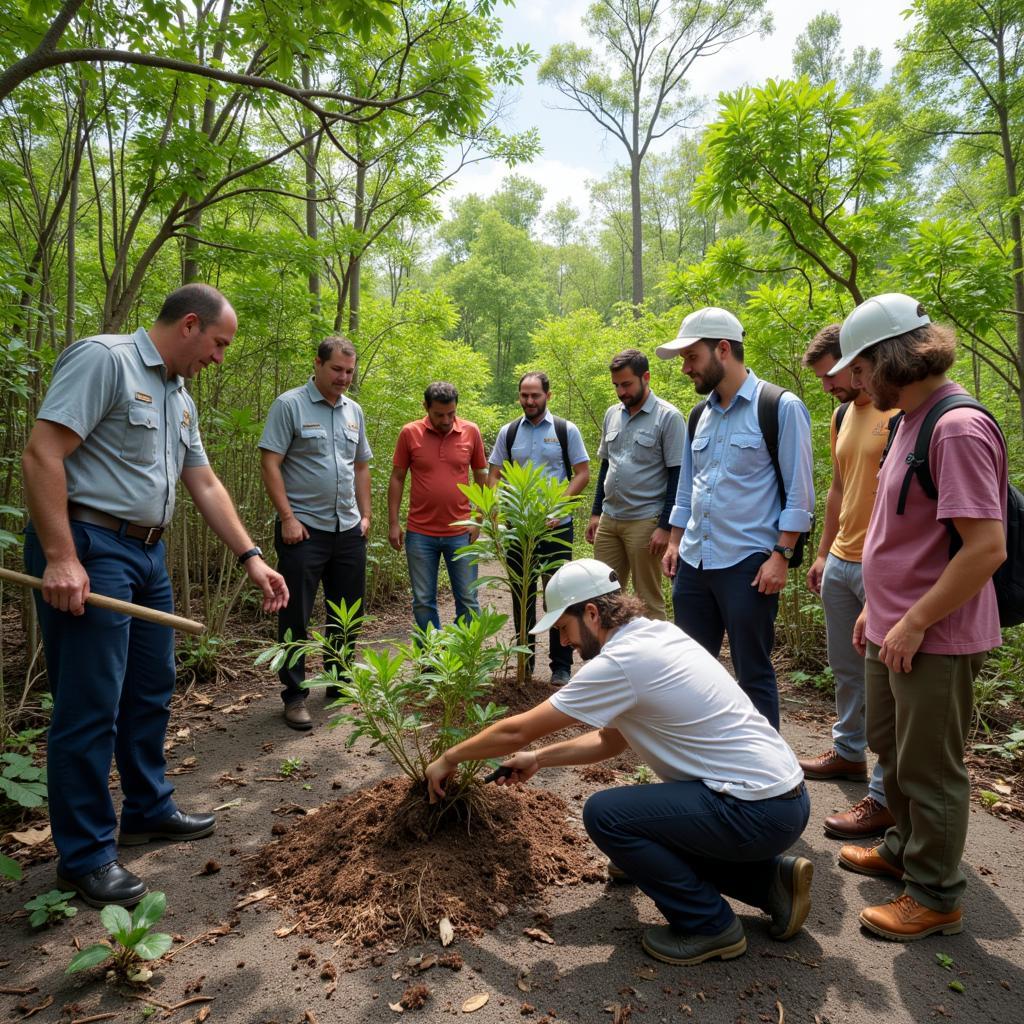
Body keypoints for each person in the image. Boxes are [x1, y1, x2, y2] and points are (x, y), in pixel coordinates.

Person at [22, 283, 288, 909]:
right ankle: (84, 856)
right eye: (219, 343)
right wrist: (62, 556)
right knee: (91, 703)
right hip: (91, 545)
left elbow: (204, 481)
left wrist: (252, 557)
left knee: (150, 684)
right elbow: (42, 454)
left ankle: (144, 808)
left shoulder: (179, 396)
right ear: (190, 324)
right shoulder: (103, 360)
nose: (220, 357)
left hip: (149, 552)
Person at [425, 559, 812, 965]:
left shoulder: (620, 663)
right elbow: (611, 740)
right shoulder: (655, 635)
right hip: (782, 799)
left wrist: (449, 757)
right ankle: (771, 882)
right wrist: (539, 759)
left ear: (591, 613)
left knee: (607, 816)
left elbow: (515, 731)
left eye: (563, 628)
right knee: (647, 826)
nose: (564, 641)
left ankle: (708, 925)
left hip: (755, 810)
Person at [830, 293, 1006, 941]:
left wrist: (913, 620)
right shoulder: (906, 417)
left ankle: (935, 894)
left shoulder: (956, 427)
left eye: (861, 366)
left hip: (935, 633)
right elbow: (899, 530)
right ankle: (903, 847)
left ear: (892, 357)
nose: (854, 381)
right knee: (891, 747)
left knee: (929, 767)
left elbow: (986, 547)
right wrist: (878, 607)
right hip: (892, 625)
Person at [658, 307, 814, 729]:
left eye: (692, 357)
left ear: (722, 350)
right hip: (694, 562)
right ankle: (697, 765)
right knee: (689, 673)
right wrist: (674, 542)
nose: (686, 368)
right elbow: (688, 487)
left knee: (753, 675)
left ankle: (767, 782)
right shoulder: (698, 416)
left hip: (748, 565)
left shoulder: (780, 406)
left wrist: (782, 555)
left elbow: (800, 493)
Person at [799, 325, 896, 839]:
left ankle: (882, 795)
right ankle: (848, 752)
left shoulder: (898, 409)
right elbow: (838, 487)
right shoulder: (841, 414)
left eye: (832, 375)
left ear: (857, 363)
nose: (827, 387)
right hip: (841, 561)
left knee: (886, 687)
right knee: (847, 669)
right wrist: (821, 553)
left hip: (886, 567)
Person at [259, 336, 372, 730]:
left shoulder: (354, 411)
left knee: (347, 613)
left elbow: (360, 466)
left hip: (348, 528)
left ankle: (339, 683)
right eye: (337, 369)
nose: (343, 378)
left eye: (349, 371)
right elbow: (270, 463)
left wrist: (366, 516)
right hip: (302, 530)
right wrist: (287, 517)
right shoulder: (289, 405)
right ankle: (294, 696)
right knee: (295, 615)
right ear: (318, 364)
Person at [488, 371, 590, 684]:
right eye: (524, 395)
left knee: (557, 594)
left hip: (556, 526)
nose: (529, 401)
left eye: (535, 395)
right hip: (519, 527)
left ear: (548, 395)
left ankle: (560, 666)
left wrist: (559, 505)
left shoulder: (564, 430)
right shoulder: (508, 432)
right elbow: (494, 474)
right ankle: (525, 663)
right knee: (522, 593)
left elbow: (582, 473)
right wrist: (496, 505)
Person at [586, 349, 684, 620]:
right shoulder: (611, 415)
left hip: (645, 521)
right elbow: (607, 464)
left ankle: (654, 661)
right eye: (616, 385)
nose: (621, 391)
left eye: (627, 384)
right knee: (604, 598)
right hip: (610, 519)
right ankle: (616, 659)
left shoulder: (668, 417)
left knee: (647, 601)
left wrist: (666, 527)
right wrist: (596, 513)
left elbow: (678, 475)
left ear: (646, 377)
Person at [388, 382, 488, 630]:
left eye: (451, 413)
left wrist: (478, 518)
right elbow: (397, 477)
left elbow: (481, 476)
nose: (446, 420)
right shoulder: (409, 433)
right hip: (420, 533)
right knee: (423, 600)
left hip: (461, 532)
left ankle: (463, 656)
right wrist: (393, 523)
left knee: (467, 599)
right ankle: (431, 657)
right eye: (439, 414)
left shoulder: (470, 431)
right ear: (426, 407)